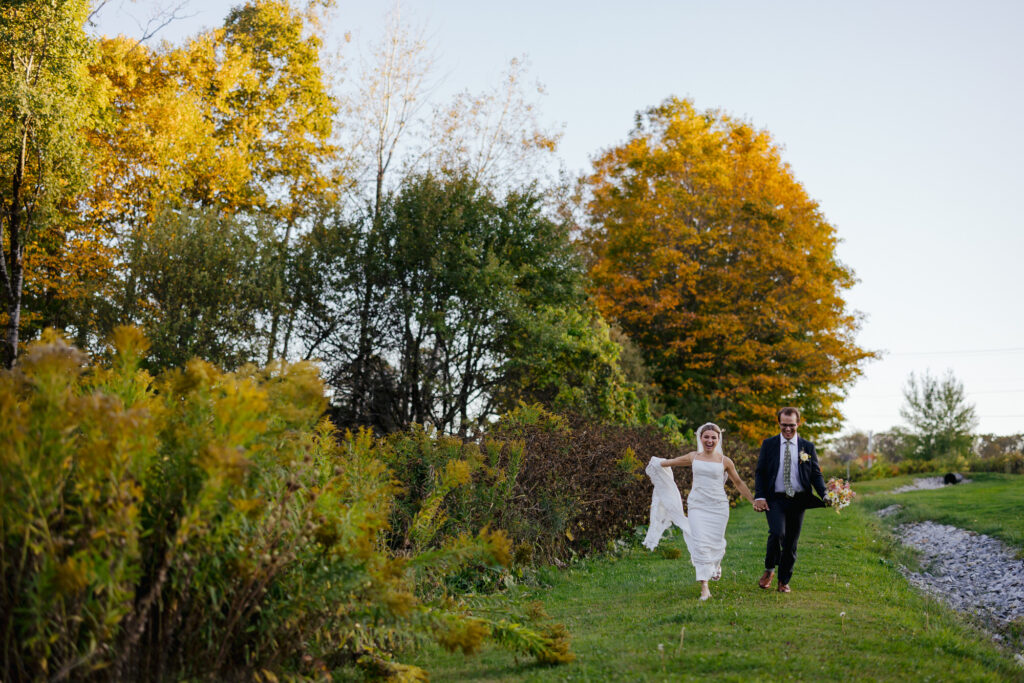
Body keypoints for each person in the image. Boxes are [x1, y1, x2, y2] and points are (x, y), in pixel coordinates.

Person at [659, 423, 756, 600]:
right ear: (700, 438)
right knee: (700, 544)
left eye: (713, 437)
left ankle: (715, 566)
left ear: (718, 440)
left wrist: (753, 501)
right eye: (706, 437)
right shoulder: (693, 457)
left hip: (718, 507)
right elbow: (669, 462)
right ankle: (705, 587)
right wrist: (656, 463)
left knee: (716, 543)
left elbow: (739, 483)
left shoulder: (725, 461)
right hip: (697, 506)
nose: (709, 440)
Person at [752, 407, 828, 593]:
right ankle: (770, 569)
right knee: (777, 533)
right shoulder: (769, 444)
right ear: (779, 423)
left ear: (798, 424)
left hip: (798, 499)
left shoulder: (807, 447)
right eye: (784, 425)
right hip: (775, 498)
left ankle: (783, 580)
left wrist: (825, 493)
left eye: (791, 425)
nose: (787, 429)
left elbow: (815, 474)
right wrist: (760, 496)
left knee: (791, 542)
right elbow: (760, 472)